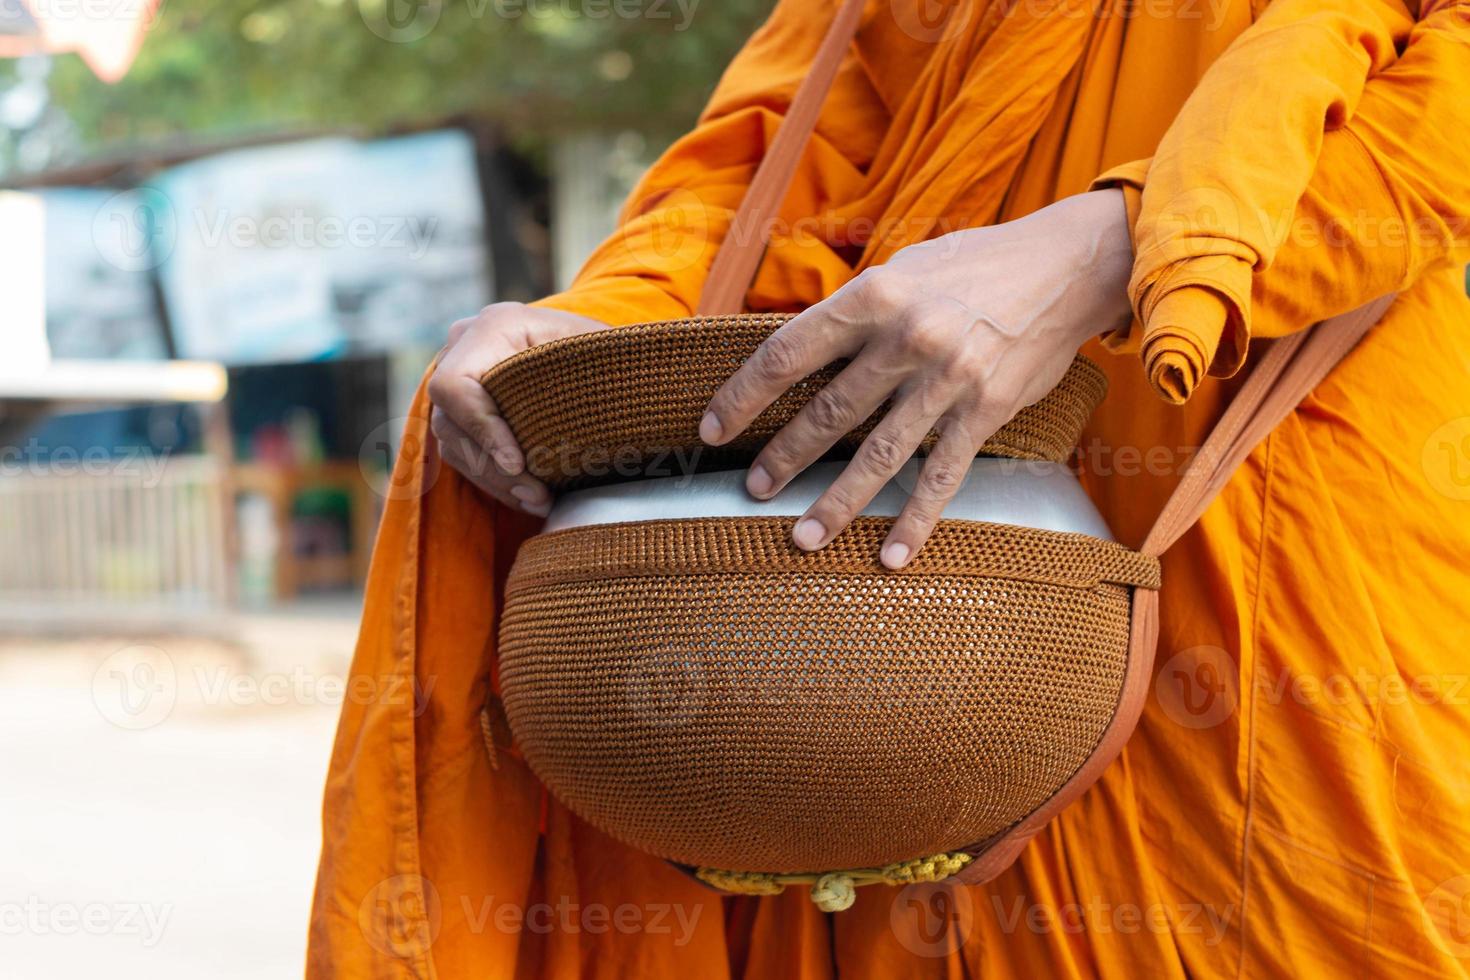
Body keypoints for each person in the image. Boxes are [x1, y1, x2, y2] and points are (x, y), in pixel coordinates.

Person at [309, 1, 1470, 975]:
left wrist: (1123, 245)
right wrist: (588, 335)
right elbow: (791, 142)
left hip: (1282, 520)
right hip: (873, 617)